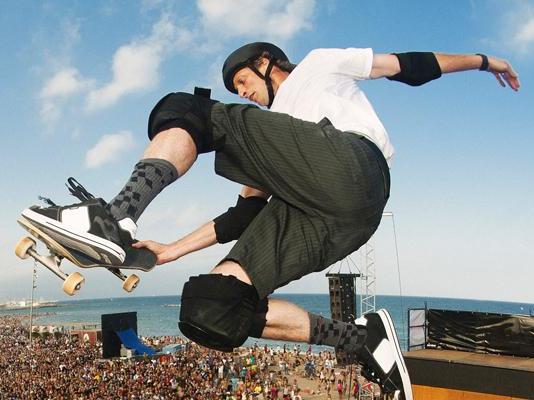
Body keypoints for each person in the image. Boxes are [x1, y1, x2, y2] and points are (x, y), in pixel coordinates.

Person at [21, 42, 519, 400]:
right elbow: (244, 213)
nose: (247, 94)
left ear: (266, 63)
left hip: (351, 169)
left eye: (243, 82)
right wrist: (169, 251)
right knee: (210, 308)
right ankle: (361, 340)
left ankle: (114, 214)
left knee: (185, 109)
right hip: (328, 220)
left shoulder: (321, 66)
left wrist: (482, 61)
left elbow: (408, 65)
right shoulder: (270, 145)